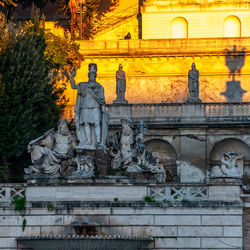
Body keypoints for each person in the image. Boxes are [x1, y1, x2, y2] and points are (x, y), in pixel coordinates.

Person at [70, 64, 106, 147]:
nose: (92, 77)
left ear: (95, 76)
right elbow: (73, 86)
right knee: (86, 124)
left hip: (95, 107)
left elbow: (102, 99)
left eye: (93, 75)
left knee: (96, 123)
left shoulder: (99, 87)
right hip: (85, 107)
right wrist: (72, 77)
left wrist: (103, 108)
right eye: (90, 75)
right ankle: (88, 142)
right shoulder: (83, 85)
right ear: (89, 76)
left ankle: (98, 141)